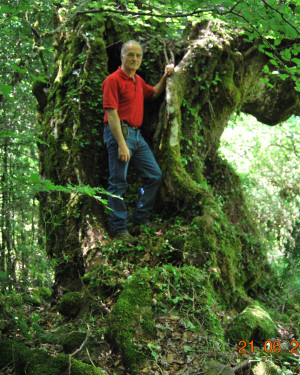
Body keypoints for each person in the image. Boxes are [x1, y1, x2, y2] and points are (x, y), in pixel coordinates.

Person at [102, 40, 174, 244]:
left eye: (138, 55)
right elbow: (111, 113)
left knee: (154, 174)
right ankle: (119, 230)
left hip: (136, 135)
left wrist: (166, 75)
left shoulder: (137, 80)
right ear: (122, 56)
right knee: (118, 183)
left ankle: (140, 219)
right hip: (119, 134)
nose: (134, 59)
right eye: (130, 54)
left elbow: (154, 93)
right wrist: (121, 144)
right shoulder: (112, 80)